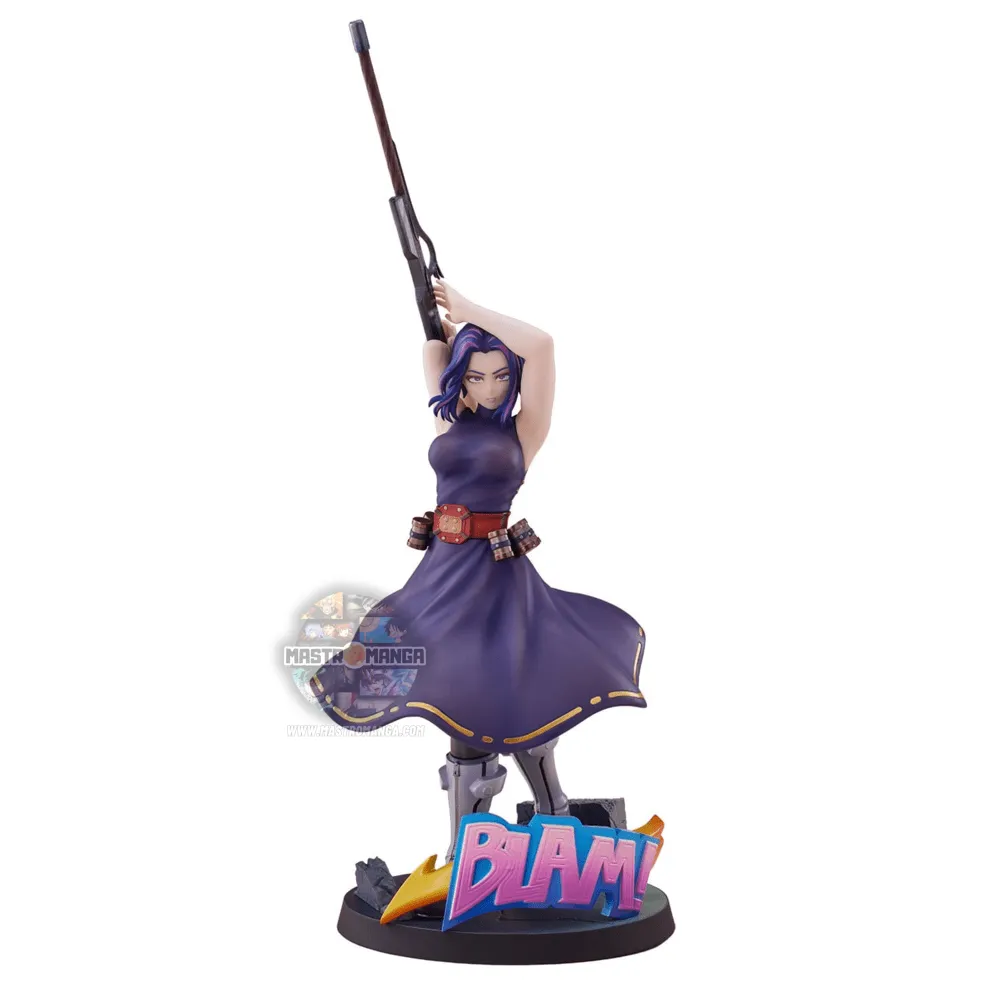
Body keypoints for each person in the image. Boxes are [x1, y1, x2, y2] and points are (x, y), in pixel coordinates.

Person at [311, 280, 646, 860]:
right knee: (450, 688)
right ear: (459, 380)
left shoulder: (523, 431)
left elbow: (540, 344)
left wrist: (469, 311)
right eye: (475, 377)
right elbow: (432, 351)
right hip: (442, 571)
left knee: (510, 684)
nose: (489, 388)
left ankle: (553, 814)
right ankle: (464, 851)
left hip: (494, 574)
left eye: (500, 377)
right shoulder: (449, 421)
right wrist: (448, 324)